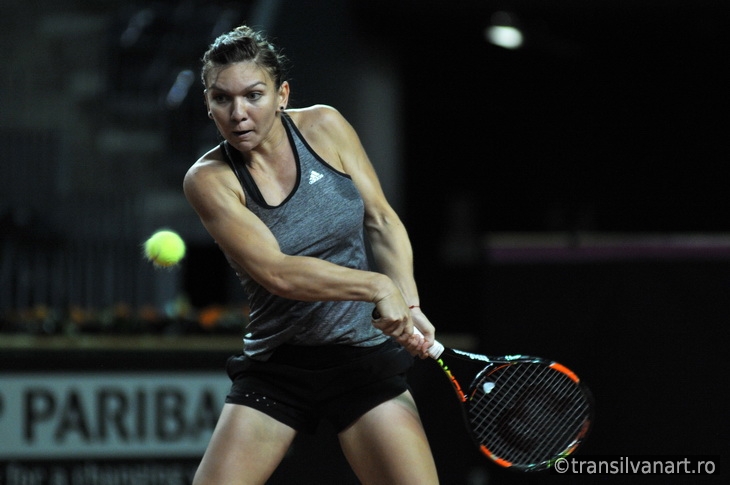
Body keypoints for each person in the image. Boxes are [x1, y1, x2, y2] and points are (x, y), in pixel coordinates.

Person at [183, 25, 439, 485]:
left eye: (254, 95)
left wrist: (410, 301)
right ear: (208, 102)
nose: (239, 113)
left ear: (282, 94)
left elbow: (380, 220)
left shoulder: (325, 126)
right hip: (279, 367)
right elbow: (278, 274)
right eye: (222, 99)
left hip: (362, 361)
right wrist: (377, 286)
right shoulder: (208, 180)